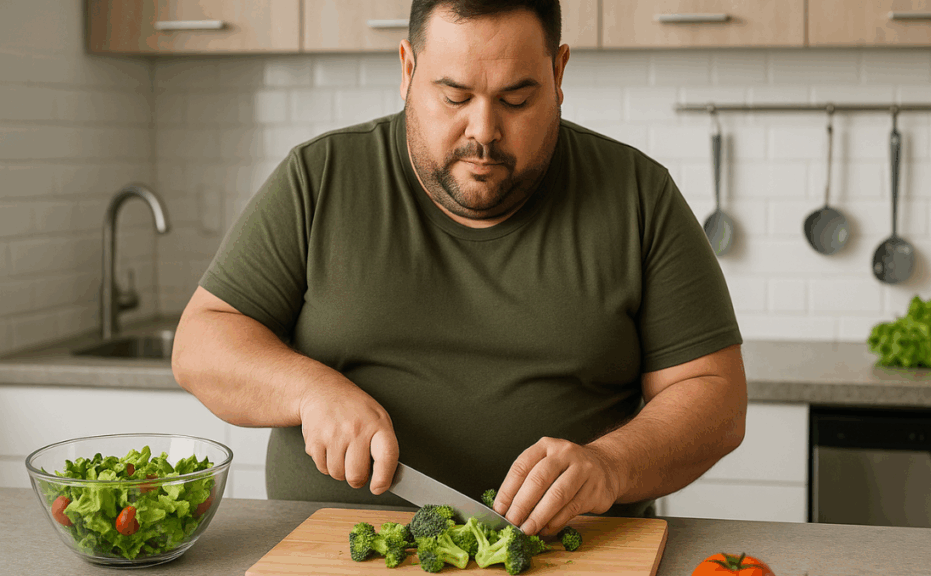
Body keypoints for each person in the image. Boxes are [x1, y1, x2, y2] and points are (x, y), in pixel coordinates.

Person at [172, 0, 747, 538]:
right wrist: (308, 390)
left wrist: (610, 465)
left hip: (572, 558)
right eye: (454, 96)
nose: (483, 132)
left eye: (517, 100)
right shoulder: (319, 178)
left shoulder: (638, 195)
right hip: (332, 551)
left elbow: (714, 398)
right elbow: (202, 340)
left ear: (559, 73)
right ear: (407, 68)